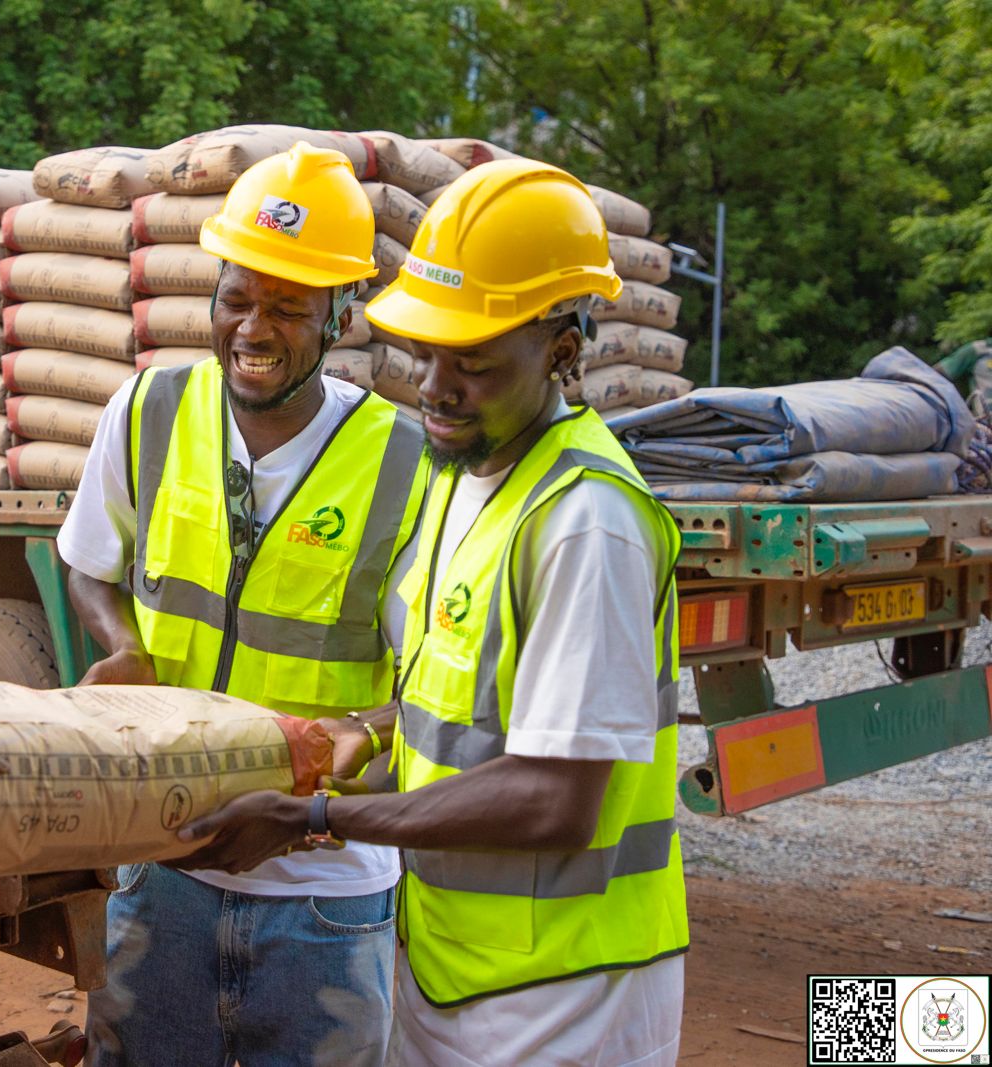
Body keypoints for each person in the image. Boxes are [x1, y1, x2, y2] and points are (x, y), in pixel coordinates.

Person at [176, 158, 689, 1067]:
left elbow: (558, 800)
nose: (436, 387)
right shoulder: (465, 479)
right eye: (426, 352)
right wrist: (370, 737)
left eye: (475, 363)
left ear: (562, 352)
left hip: (568, 992)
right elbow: (461, 712)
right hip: (456, 965)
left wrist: (322, 820)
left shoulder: (586, 522)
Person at [60, 143, 429, 1066]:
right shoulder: (147, 410)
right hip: (163, 869)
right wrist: (121, 643)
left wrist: (347, 748)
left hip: (325, 891)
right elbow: (88, 564)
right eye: (237, 298)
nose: (253, 328)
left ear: (342, 316)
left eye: (289, 309)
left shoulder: (405, 464)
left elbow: (433, 686)